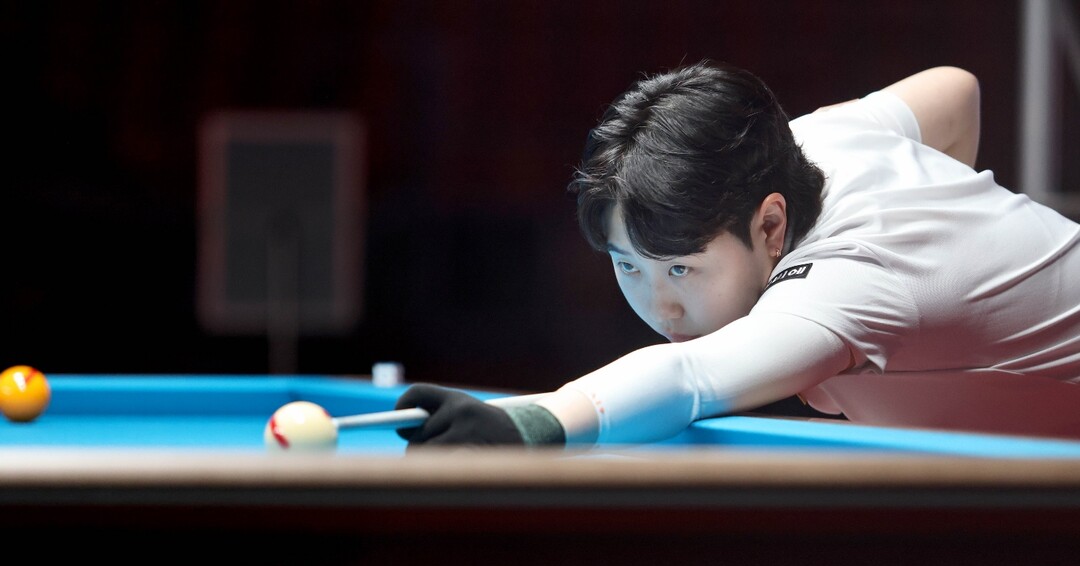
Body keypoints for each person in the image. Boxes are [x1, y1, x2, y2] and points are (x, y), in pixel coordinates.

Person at [395, 60, 1080, 447]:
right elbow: (955, 90)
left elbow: (689, 377)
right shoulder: (811, 142)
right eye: (628, 265)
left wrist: (528, 423)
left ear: (771, 225)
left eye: (682, 268)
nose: (661, 306)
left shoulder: (846, 283)